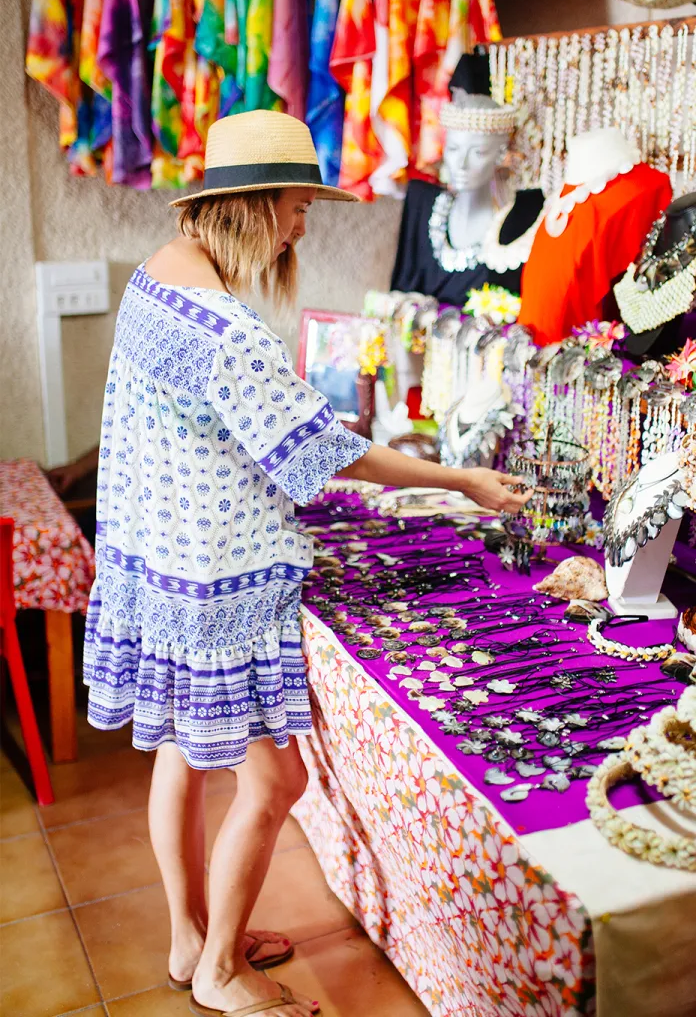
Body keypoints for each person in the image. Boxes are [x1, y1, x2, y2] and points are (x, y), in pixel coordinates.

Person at [83, 110, 531, 1017]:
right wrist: (459, 481)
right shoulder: (224, 328)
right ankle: (219, 971)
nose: (300, 227)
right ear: (251, 207)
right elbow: (326, 452)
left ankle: (187, 941)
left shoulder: (156, 278)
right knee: (278, 780)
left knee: (179, 754)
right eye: (295, 207)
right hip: (218, 582)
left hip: (157, 563)